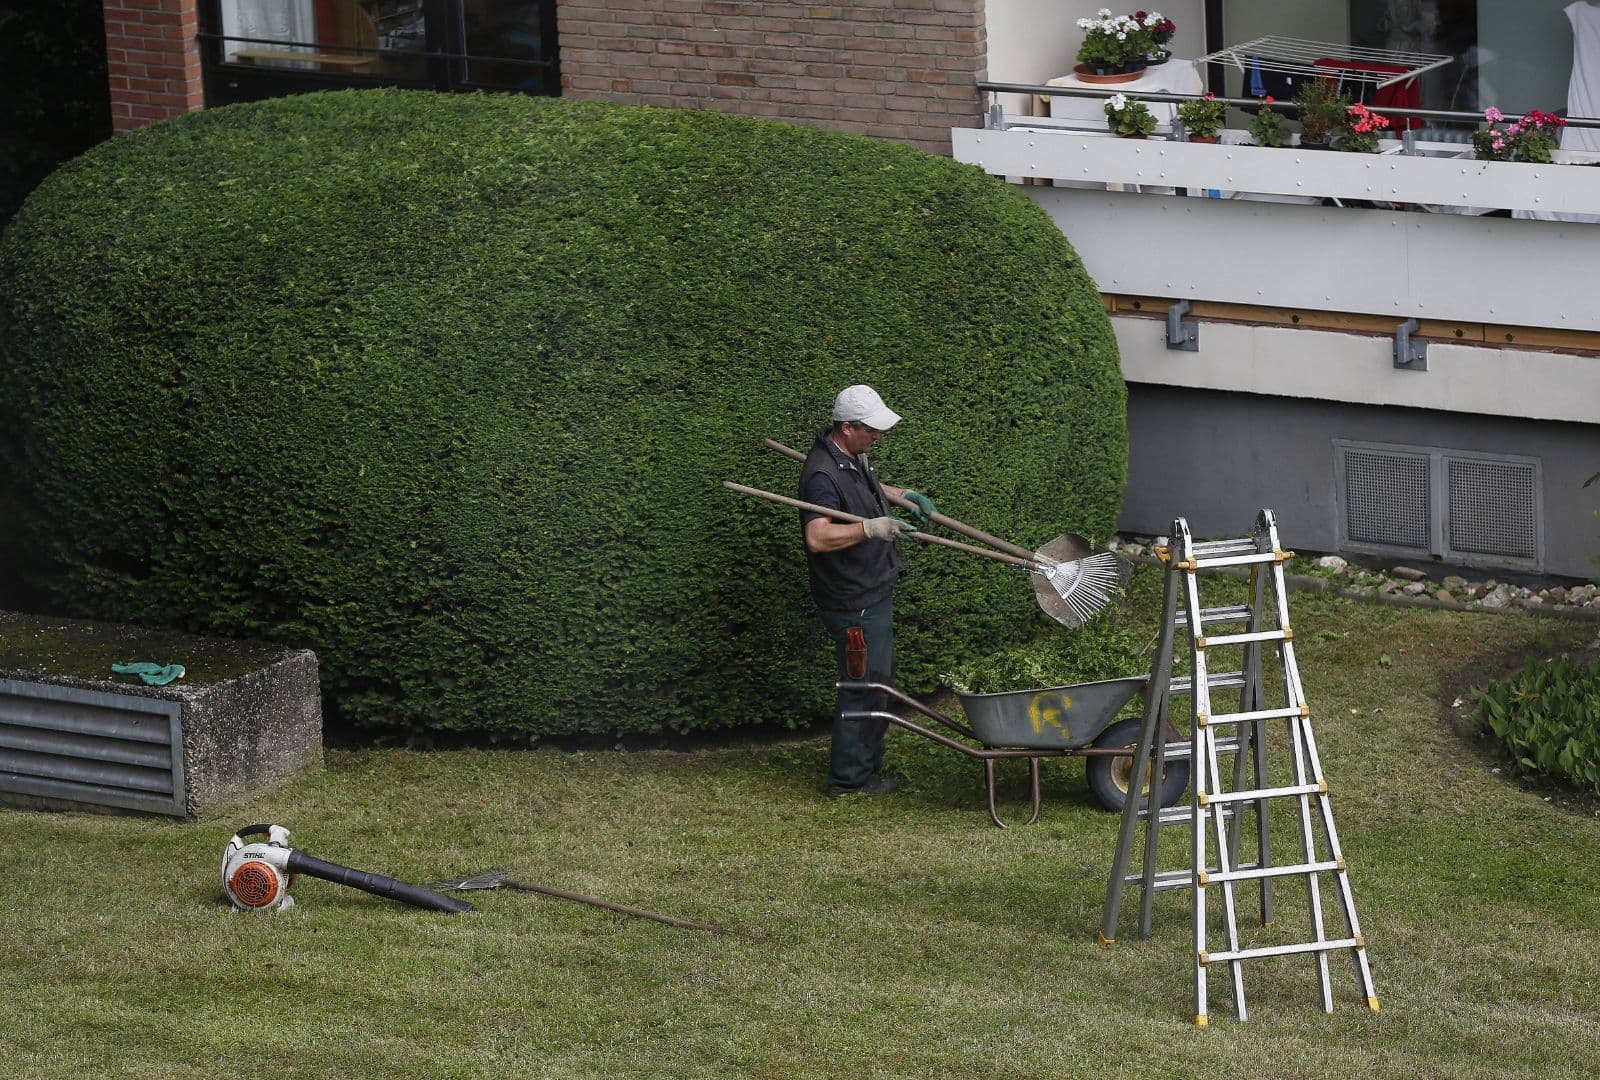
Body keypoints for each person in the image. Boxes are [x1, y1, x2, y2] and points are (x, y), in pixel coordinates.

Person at [799, 385, 936, 797]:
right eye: (872, 430)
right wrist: (871, 528)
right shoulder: (820, 475)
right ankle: (848, 781)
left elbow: (860, 487)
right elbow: (818, 537)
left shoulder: (850, 457)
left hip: (872, 591)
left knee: (877, 682)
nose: (878, 436)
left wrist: (901, 497)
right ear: (847, 427)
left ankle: (866, 768)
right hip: (852, 600)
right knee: (862, 687)